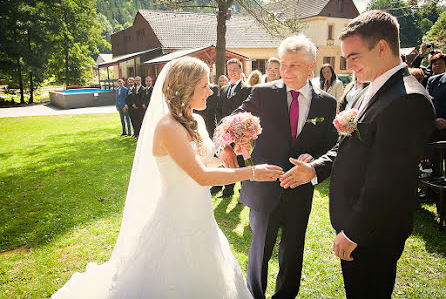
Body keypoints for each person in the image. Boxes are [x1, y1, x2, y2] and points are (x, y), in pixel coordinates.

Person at [52, 57, 283, 299]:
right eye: (204, 86)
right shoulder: (168, 128)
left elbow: (205, 162)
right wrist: (253, 172)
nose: (210, 91)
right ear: (186, 88)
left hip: (200, 214)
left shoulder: (195, 121)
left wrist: (232, 152)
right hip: (177, 217)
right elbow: (201, 176)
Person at [289, 10, 435, 299]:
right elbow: (347, 145)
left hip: (373, 232)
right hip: (354, 220)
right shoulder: (364, 91)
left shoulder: (408, 100)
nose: (348, 64)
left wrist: (355, 232)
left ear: (381, 47)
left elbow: (389, 181)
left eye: (354, 56)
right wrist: (316, 168)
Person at [220, 34, 338, 299]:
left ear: (311, 66)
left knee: (293, 250)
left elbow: (331, 145)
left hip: (300, 189)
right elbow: (230, 121)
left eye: (294, 65)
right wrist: (226, 145)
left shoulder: (326, 104)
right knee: (259, 249)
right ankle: (256, 295)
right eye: (283, 64)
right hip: (263, 188)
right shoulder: (262, 93)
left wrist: (315, 161)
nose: (285, 71)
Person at [212, 58, 252, 198]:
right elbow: (218, 109)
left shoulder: (247, 89)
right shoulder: (223, 89)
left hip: (239, 133)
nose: (233, 72)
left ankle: (245, 192)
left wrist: (239, 129)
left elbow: (246, 110)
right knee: (227, 161)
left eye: (235, 69)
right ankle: (228, 190)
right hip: (225, 132)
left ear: (241, 70)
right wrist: (221, 126)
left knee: (241, 163)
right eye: (230, 70)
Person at [426, 65, 446, 176]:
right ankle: (434, 192)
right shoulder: (434, 81)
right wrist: (434, 120)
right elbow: (426, 104)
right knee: (436, 172)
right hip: (437, 133)